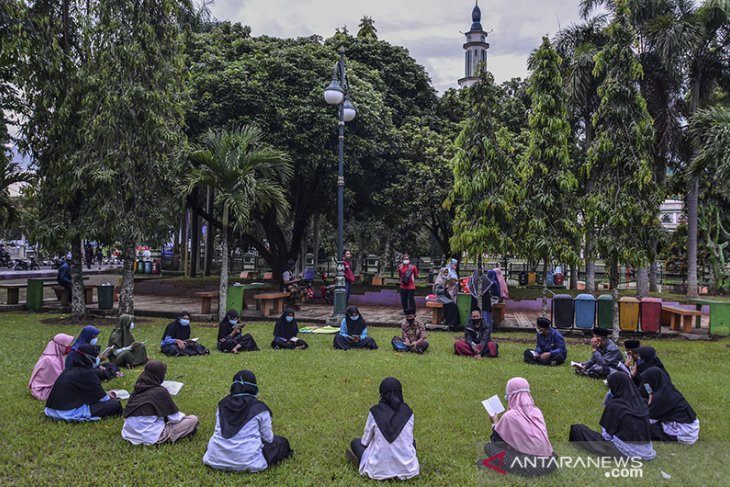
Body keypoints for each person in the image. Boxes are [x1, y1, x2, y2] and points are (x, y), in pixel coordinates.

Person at [203, 370, 293, 472]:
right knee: (281, 443)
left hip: (214, 459)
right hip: (249, 462)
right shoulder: (259, 408)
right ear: (253, 386)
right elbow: (268, 438)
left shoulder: (222, 404)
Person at [569, 372, 656, 460]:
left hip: (626, 452)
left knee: (577, 429)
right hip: (646, 451)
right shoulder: (640, 402)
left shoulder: (615, 405)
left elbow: (607, 436)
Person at [346, 377, 419, 480]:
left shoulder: (375, 411)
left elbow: (365, 442)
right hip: (408, 470)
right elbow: (409, 439)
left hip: (377, 470)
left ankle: (381, 464)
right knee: (413, 443)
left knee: (355, 443)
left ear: (382, 394)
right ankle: (400, 467)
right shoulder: (408, 412)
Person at [484, 378, 556, 476]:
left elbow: (497, 442)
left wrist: (495, 422)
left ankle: (508, 467)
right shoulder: (537, 412)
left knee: (489, 447)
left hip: (531, 465)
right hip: (550, 461)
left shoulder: (510, 416)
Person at [122, 360, 199, 445]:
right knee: (193, 419)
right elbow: (175, 418)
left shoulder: (138, 387)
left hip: (128, 434)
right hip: (149, 437)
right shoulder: (160, 392)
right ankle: (165, 437)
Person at [45, 344, 123, 421]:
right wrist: (111, 395)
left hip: (52, 410)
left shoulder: (69, 369)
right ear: (88, 358)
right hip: (67, 412)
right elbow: (104, 399)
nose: (98, 358)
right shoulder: (88, 374)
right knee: (114, 405)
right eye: (96, 356)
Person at [640, 367, 699, 444]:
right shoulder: (668, 389)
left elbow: (648, 419)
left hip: (685, 432)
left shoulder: (661, 398)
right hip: (690, 426)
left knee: (642, 429)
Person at [28, 333, 75, 401]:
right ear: (60, 346)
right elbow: (59, 379)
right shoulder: (50, 360)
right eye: (67, 345)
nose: (70, 347)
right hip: (42, 391)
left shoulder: (57, 356)